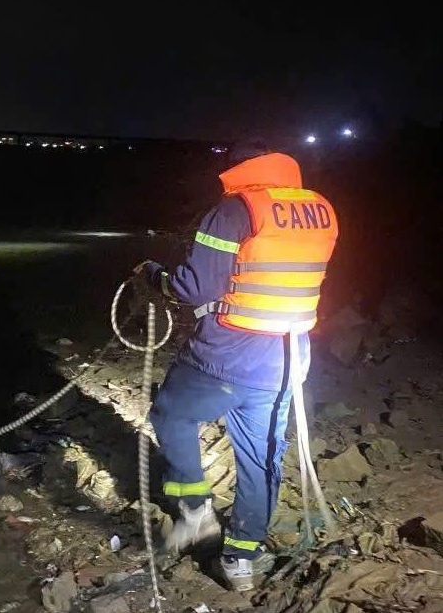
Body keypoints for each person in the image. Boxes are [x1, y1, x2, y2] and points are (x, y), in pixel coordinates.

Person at [137, 139, 339, 592]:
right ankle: (241, 560)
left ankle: (195, 513)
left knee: (171, 413)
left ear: (240, 168)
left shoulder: (235, 210)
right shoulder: (320, 207)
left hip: (227, 352)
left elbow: (192, 288)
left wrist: (154, 277)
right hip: (288, 356)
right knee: (261, 455)